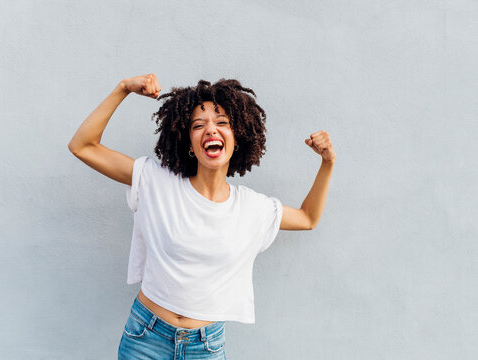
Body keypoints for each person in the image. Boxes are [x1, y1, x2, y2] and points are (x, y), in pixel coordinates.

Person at [68, 73, 336, 359]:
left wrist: (327, 162)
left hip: (205, 347)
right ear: (188, 141)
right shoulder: (156, 181)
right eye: (199, 125)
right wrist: (123, 88)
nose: (211, 130)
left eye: (222, 123)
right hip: (146, 338)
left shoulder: (251, 208)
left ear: (239, 136)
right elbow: (83, 146)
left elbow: (308, 218)